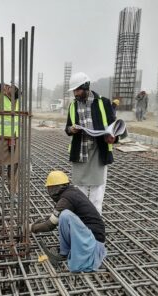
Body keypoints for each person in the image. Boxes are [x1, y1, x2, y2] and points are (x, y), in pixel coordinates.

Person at [30, 171, 106, 272]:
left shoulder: (66, 198)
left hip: (93, 244)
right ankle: (64, 253)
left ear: (54, 188)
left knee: (65, 215)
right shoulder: (71, 192)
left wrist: (32, 228)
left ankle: (77, 258)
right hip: (91, 238)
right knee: (63, 215)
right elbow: (54, 216)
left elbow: (50, 225)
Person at [65, 72, 117, 215]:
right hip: (80, 150)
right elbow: (67, 128)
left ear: (86, 86)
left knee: (97, 190)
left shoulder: (103, 103)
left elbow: (114, 127)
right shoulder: (73, 106)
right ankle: (81, 219)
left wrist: (113, 137)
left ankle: (95, 221)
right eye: (74, 90)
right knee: (79, 188)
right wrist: (71, 129)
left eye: (78, 90)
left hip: (98, 151)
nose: (75, 93)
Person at [0, 79, 20, 200]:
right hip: (1, 138)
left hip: (15, 138)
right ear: (7, 87)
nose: (17, 93)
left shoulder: (18, 99)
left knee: (14, 167)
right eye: (15, 89)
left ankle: (13, 193)